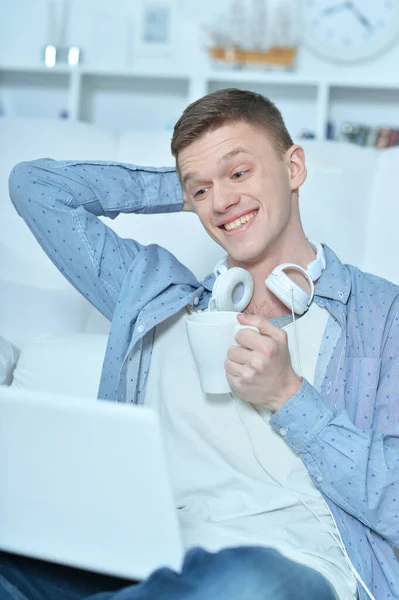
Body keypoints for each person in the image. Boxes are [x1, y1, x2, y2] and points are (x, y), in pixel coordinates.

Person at [4, 88, 399, 600]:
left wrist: (287, 395)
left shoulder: (378, 313)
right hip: (138, 559)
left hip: (283, 567)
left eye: (240, 172)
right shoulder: (154, 295)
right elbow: (34, 187)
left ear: (294, 168)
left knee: (247, 583)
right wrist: (199, 185)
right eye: (201, 190)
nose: (223, 201)